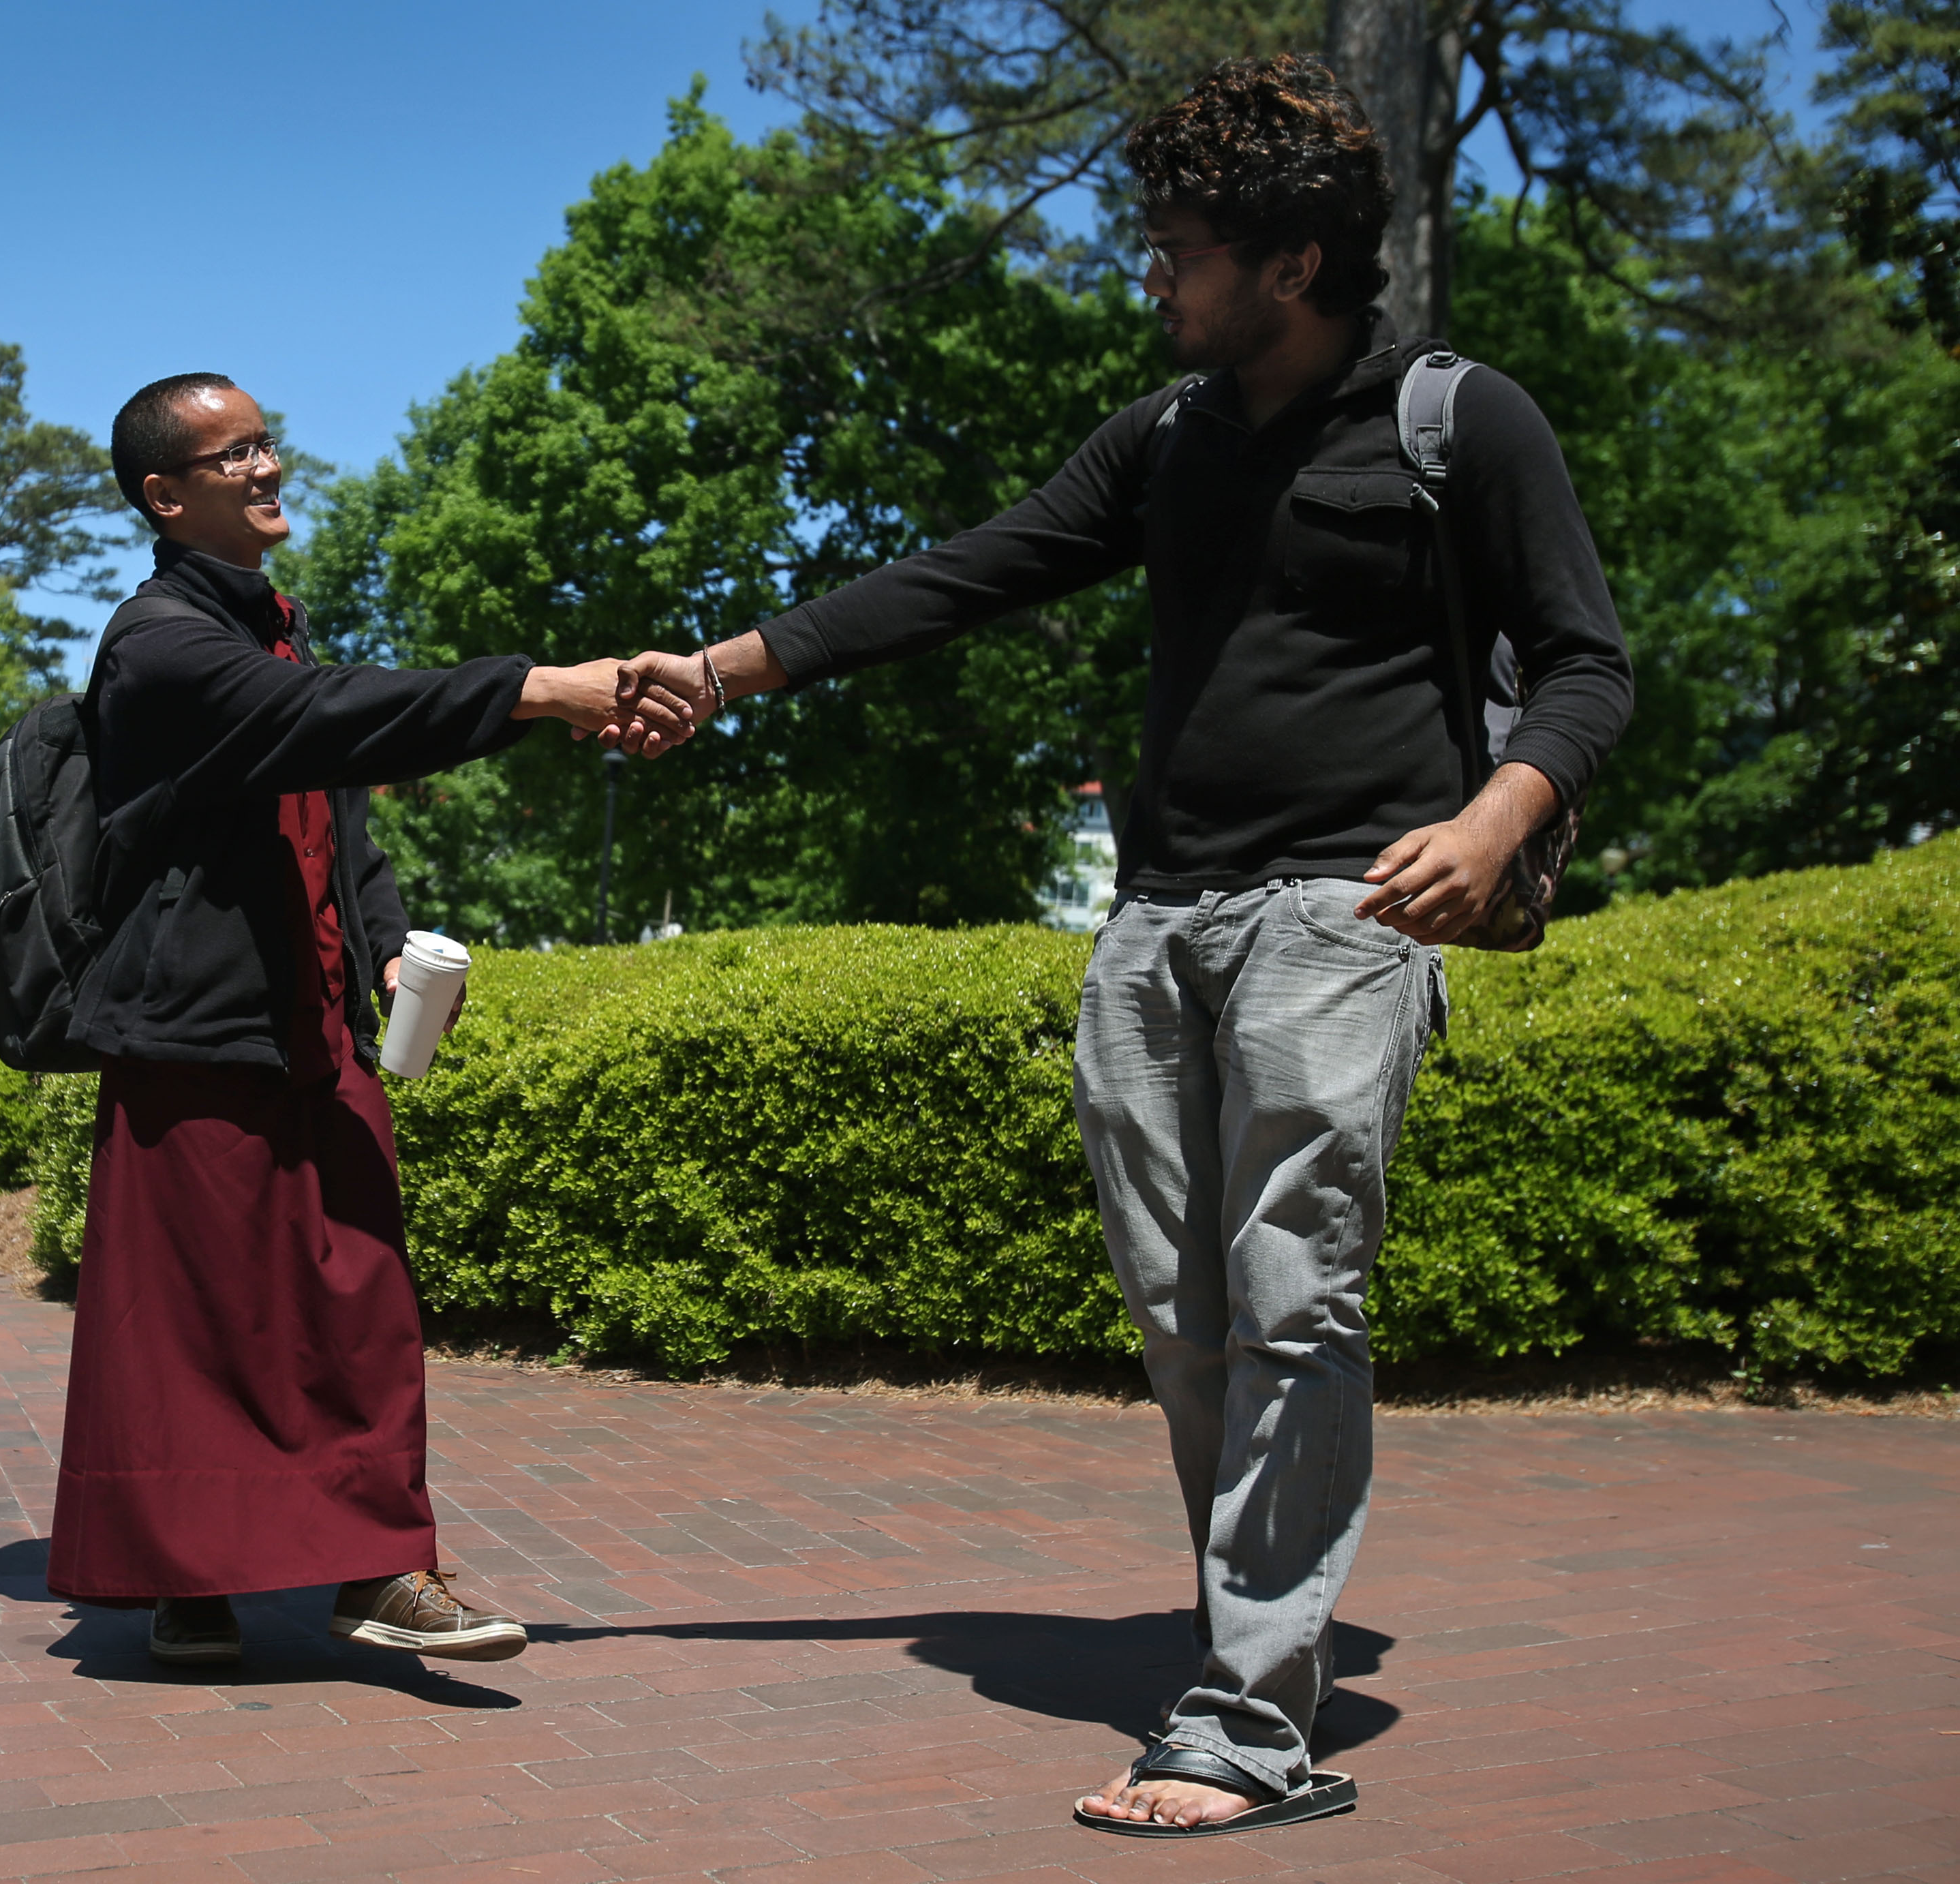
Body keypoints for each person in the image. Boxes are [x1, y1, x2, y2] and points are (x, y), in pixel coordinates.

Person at [607, 58, 1631, 1834]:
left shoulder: (1455, 418)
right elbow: (972, 567)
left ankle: (1247, 1711)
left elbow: (1584, 662)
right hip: (1153, 922)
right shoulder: (1168, 441)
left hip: (1344, 904)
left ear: (1290, 262)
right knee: (1183, 1313)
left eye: (1174, 248)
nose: (1148, 278)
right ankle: (1249, 1643)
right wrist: (723, 669)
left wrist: (1489, 824)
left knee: (1291, 1292)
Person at [45, 371, 692, 1671]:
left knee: (359, 1299)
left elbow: (334, 802)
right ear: (164, 495)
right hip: (193, 1036)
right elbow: (319, 717)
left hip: (315, 1030)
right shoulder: (158, 643)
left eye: (266, 442)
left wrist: (387, 938)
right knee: (186, 1322)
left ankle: (375, 1565)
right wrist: (541, 689)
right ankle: (190, 1576)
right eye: (232, 455)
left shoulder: (269, 630)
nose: (266, 466)